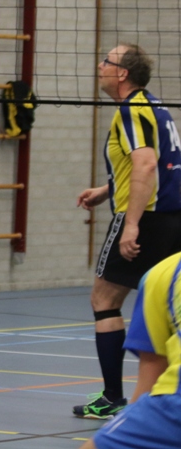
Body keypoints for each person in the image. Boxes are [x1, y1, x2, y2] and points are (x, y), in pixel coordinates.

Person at [72, 44, 181, 419]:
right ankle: (164, 392)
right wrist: (107, 189)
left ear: (122, 74)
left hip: (146, 217)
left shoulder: (131, 109)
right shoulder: (156, 106)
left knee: (104, 300)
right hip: (173, 216)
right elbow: (158, 163)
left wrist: (131, 223)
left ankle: (113, 398)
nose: (99, 65)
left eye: (107, 61)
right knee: (169, 302)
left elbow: (146, 165)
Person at [80, 251, 181, 449]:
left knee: (104, 302)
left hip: (175, 403)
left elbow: (152, 367)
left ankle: (112, 395)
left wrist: (129, 420)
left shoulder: (165, 273)